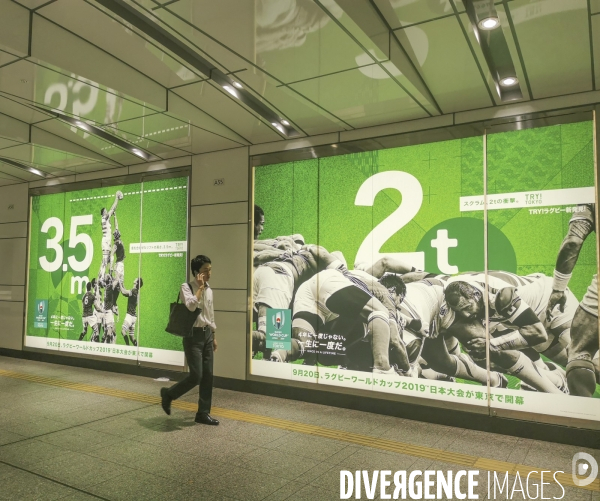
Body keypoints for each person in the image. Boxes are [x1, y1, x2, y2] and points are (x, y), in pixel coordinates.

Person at [547, 204, 599, 396]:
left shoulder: (590, 197)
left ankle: (585, 420)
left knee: (579, 352)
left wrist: (558, 288)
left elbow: (572, 242)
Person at [161, 255, 219, 425]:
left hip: (207, 334)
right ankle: (169, 394)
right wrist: (199, 288)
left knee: (208, 376)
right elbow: (191, 305)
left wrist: (214, 335)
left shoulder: (210, 290)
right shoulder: (186, 287)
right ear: (196, 273)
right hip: (192, 336)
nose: (209, 273)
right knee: (196, 375)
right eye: (205, 270)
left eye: (210, 269)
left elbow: (210, 315)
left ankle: (203, 413)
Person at [120, 278, 143, 346]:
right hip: (134, 317)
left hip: (129, 315)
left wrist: (119, 282)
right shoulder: (137, 292)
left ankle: (127, 346)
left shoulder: (133, 291)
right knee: (131, 337)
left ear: (136, 282)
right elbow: (127, 292)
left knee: (123, 331)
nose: (135, 278)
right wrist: (123, 285)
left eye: (136, 279)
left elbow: (124, 292)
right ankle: (137, 347)